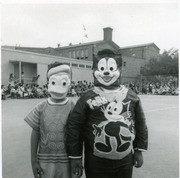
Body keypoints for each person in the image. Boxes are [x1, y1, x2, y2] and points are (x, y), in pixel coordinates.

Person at [67, 49, 148, 178]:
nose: (106, 72)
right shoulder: (87, 97)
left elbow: (141, 124)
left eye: (111, 68)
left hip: (125, 159)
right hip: (96, 161)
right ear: (94, 70)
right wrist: (75, 156)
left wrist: (138, 150)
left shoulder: (132, 96)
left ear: (119, 70)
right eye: (102, 68)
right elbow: (74, 127)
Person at [24, 62, 74, 178]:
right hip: (44, 161)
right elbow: (35, 132)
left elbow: (77, 134)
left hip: (66, 160)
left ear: (68, 83)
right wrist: (33, 161)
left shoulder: (73, 107)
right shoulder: (40, 107)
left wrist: (76, 159)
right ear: (48, 82)